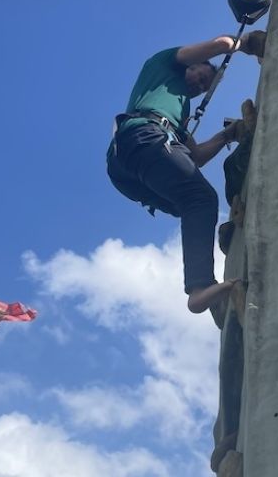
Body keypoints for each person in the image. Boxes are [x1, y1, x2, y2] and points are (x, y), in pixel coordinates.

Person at [107, 32, 264, 314]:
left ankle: (203, 286)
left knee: (193, 206)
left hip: (130, 165)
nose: (201, 85)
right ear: (194, 64)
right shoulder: (163, 65)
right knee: (201, 199)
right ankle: (200, 288)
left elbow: (197, 157)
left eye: (205, 87)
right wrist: (247, 41)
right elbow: (223, 45)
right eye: (203, 76)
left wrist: (227, 135)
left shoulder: (181, 110)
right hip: (143, 136)